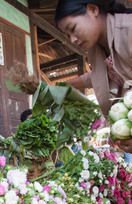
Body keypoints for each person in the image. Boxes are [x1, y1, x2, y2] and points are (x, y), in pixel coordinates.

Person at [55, 0, 132, 156]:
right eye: (68, 35)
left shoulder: (128, 31)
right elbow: (98, 77)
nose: (73, 39)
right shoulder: (96, 51)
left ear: (92, 10)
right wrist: (60, 86)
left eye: (73, 29)